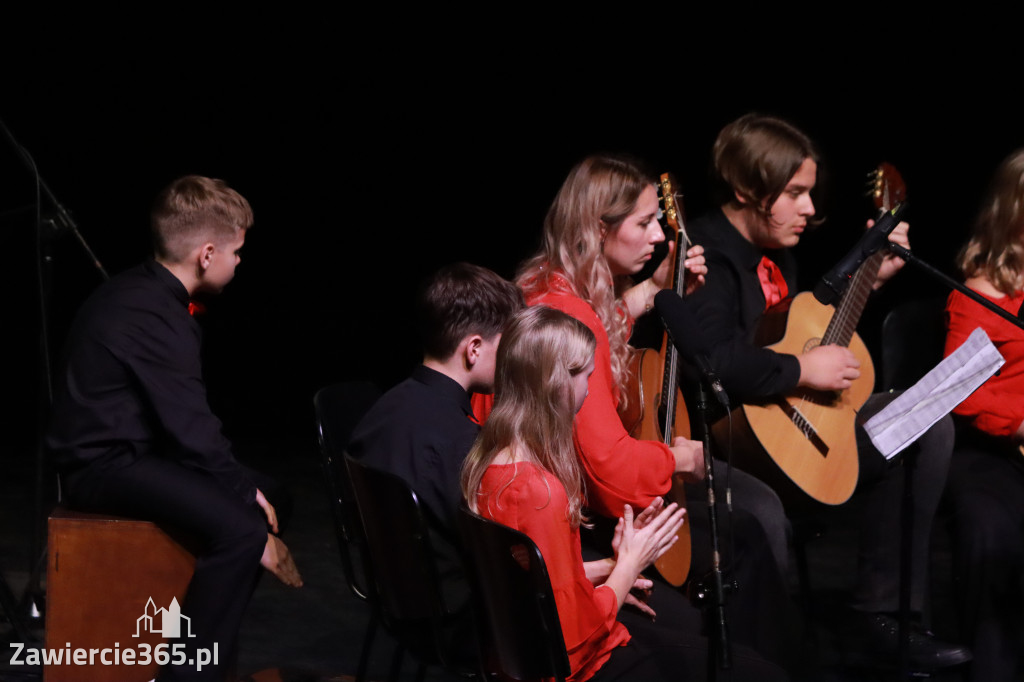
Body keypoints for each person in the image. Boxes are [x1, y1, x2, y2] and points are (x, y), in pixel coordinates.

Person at [685, 113, 967, 669]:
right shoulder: (707, 258)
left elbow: (801, 328)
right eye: (795, 193)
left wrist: (872, 280)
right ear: (747, 189)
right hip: (730, 446)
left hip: (797, 440)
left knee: (926, 417)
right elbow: (712, 360)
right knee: (761, 512)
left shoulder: (779, 253)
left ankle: (883, 614)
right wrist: (800, 372)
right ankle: (771, 657)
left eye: (810, 193)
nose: (810, 210)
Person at [512, 154, 797, 669]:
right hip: (575, 532)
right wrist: (679, 460)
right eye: (643, 223)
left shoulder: (546, 286)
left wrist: (648, 292)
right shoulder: (568, 314)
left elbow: (597, 335)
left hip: (554, 524)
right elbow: (612, 474)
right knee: (747, 534)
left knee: (745, 527)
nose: (659, 236)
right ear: (598, 229)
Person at [47, 175, 302, 682]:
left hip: (134, 454)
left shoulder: (145, 293)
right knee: (243, 527)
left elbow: (180, 425)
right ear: (207, 254)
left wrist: (249, 491)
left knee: (274, 497)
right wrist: (240, 495)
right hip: (101, 467)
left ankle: (214, 652)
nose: (239, 261)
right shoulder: (153, 313)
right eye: (237, 251)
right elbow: (190, 426)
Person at [462, 305, 789, 681]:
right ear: (558, 383)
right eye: (587, 376)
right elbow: (573, 641)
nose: (589, 388)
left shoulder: (489, 466)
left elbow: (538, 582)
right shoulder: (540, 492)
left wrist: (610, 568)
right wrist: (629, 566)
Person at [347, 262, 523, 641]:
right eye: (506, 345)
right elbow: (499, 554)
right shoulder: (459, 443)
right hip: (454, 622)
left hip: (394, 601)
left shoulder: (382, 409)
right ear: (474, 348)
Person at [943, 148, 1024, 681]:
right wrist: (1019, 424)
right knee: (992, 532)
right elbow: (962, 394)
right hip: (992, 453)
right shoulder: (982, 293)